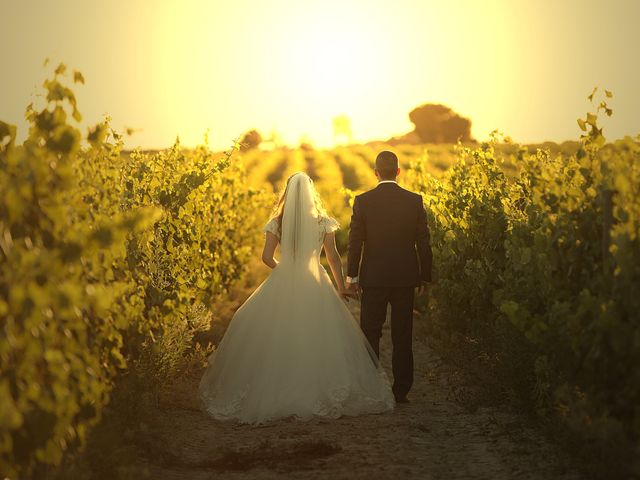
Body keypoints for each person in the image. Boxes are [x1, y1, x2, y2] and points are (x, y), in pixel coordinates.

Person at [199, 172, 395, 424]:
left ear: (288, 194)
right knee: (318, 334)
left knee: (278, 333)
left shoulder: (277, 223)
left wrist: (286, 270)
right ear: (310, 195)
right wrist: (340, 287)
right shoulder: (323, 222)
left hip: (284, 278)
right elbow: (333, 257)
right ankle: (316, 387)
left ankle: (278, 387)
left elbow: (266, 257)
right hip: (315, 280)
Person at [346, 150, 433, 404]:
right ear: (398, 172)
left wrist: (352, 276)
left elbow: (355, 242)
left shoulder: (363, 201)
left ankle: (371, 387)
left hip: (373, 277)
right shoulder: (414, 200)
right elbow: (423, 242)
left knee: (370, 332)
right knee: (402, 334)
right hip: (405, 277)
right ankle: (401, 391)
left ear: (375, 173)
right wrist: (425, 276)